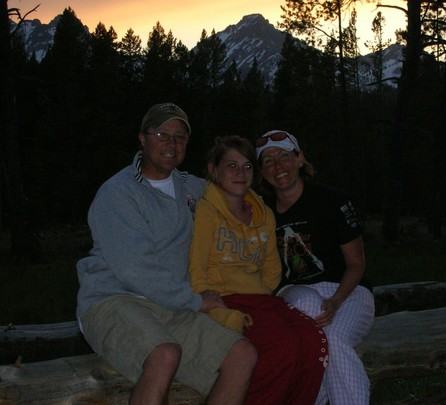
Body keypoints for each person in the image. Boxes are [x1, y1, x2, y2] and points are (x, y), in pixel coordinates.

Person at [76, 103, 257, 405]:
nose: (172, 144)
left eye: (180, 137)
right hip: (114, 299)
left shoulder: (192, 188)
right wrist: (195, 301)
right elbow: (135, 270)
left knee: (242, 355)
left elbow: (236, 192)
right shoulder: (118, 193)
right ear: (142, 139)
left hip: (171, 307)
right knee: (164, 354)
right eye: (162, 135)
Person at [188, 135, 328, 405]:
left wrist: (261, 291)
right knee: (282, 347)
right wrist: (218, 311)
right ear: (213, 171)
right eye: (231, 166)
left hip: (261, 300)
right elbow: (197, 269)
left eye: (247, 166)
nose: (240, 173)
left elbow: (272, 269)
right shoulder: (206, 211)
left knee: (314, 341)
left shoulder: (263, 214)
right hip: (226, 298)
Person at [255, 130, 375, 405]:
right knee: (310, 310)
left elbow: (356, 264)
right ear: (262, 172)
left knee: (332, 340)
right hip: (295, 292)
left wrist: (337, 300)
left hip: (348, 291)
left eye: (284, 156)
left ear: (300, 159)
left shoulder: (332, 201)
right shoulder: (261, 211)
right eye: (268, 161)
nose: (278, 166)